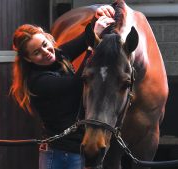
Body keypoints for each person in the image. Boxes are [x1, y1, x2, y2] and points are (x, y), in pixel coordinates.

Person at [10, 5, 115, 169]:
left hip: (74, 151)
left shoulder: (58, 56)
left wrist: (100, 14)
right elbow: (77, 84)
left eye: (45, 44)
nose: (46, 52)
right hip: (62, 155)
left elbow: (82, 39)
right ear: (29, 59)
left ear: (47, 38)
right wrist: (92, 46)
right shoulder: (38, 81)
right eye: (36, 52)